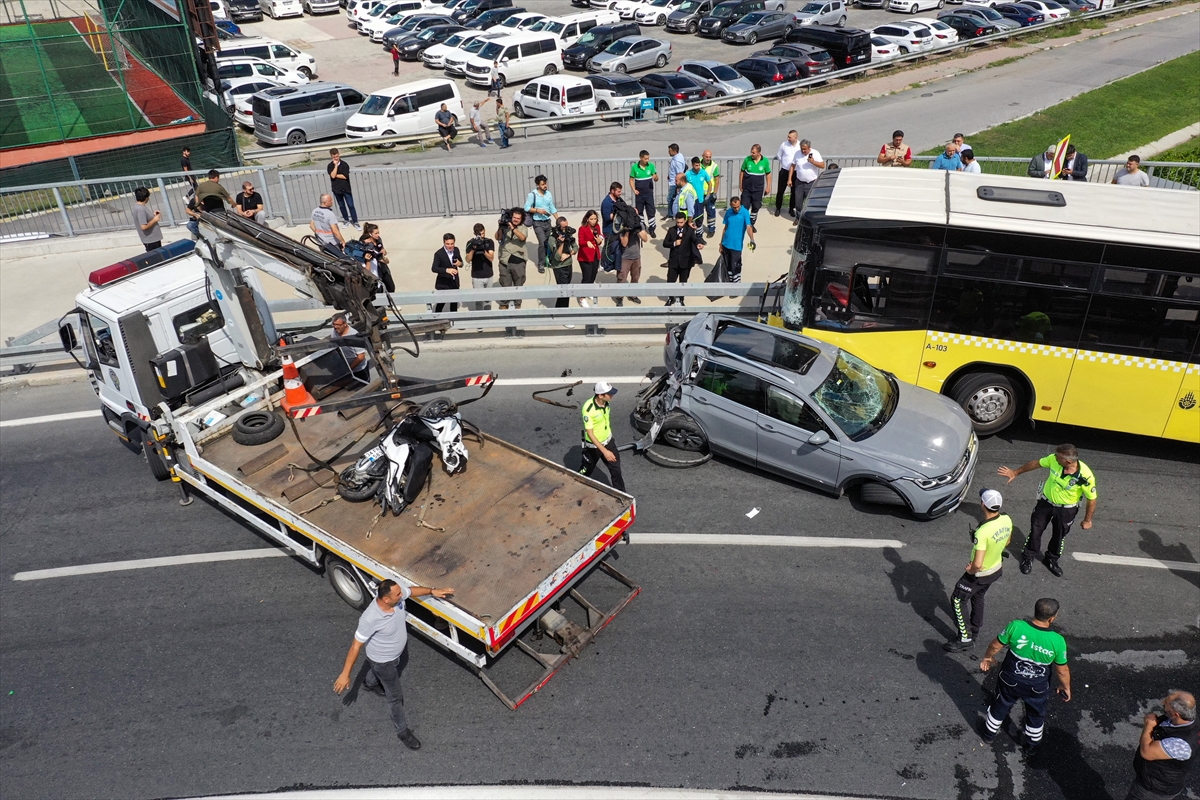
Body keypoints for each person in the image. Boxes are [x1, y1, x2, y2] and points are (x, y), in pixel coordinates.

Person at [332, 578, 454, 751]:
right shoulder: (370, 618)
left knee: (377, 674)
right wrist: (345, 675)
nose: (402, 594)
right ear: (386, 599)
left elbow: (411, 591)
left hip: (392, 655)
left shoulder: (396, 598)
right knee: (395, 697)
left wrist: (432, 591)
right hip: (383, 662)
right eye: (398, 594)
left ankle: (370, 683)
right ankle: (402, 731)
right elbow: (355, 646)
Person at [979, 598, 1071, 755]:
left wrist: (987, 658)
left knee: (1000, 704)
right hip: (1038, 686)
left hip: (1010, 680)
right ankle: (1032, 746)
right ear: (1052, 618)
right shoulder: (1057, 641)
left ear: (1034, 611)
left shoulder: (1016, 626)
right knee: (1036, 713)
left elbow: (995, 645)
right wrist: (1065, 687)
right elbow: (1062, 670)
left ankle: (988, 734)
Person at [999, 442, 1098, 578]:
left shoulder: (1085, 476)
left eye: (1059, 457)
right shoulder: (1054, 459)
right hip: (1045, 504)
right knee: (1035, 530)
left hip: (1066, 510)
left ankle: (1051, 559)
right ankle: (1028, 557)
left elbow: (1092, 499)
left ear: (1068, 461)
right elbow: (1036, 463)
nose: (1055, 458)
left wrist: (1088, 520)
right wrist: (1016, 472)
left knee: (1059, 536)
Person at [944, 489, 1012, 652]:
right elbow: (1007, 541)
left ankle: (965, 638)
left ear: (983, 505)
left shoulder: (983, 532)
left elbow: (978, 562)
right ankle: (975, 630)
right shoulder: (1006, 519)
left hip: (979, 574)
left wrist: (971, 570)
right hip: (996, 569)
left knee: (957, 600)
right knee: (978, 597)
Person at [1126, 691, 1196, 800]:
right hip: (1154, 779)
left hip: (1154, 789)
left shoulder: (1180, 744)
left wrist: (1149, 725)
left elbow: (1146, 752)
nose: (1163, 702)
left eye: (1166, 703)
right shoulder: (1185, 721)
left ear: (1175, 714)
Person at [579, 381, 625, 492]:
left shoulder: (606, 403)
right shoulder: (588, 409)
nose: (612, 396)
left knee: (616, 471)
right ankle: (577, 484)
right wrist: (605, 452)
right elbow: (590, 433)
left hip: (609, 442)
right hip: (593, 447)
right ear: (600, 395)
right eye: (609, 394)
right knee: (586, 471)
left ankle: (621, 494)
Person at [662, 212, 704, 306]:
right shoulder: (671, 230)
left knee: (683, 282)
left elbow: (695, 239)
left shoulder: (689, 231)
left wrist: (698, 244)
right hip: (674, 261)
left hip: (686, 262)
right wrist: (674, 243)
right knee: (670, 281)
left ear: (685, 221)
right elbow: (665, 243)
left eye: (681, 222)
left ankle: (681, 299)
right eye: (678, 222)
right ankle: (670, 298)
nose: (679, 224)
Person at [525, 174, 559, 273]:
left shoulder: (548, 194)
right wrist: (537, 210)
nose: (545, 186)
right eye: (543, 184)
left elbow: (552, 207)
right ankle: (541, 263)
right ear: (537, 185)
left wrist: (558, 219)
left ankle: (549, 260)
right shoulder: (532, 195)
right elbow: (526, 207)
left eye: (545, 184)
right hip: (537, 222)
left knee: (549, 242)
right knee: (542, 243)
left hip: (547, 221)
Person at [547, 216, 577, 326]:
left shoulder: (568, 234)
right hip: (559, 267)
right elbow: (556, 257)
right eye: (564, 227)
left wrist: (569, 254)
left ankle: (557, 311)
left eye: (567, 226)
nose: (566, 229)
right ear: (558, 227)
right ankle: (565, 317)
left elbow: (575, 247)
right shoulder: (552, 238)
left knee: (564, 289)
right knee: (565, 291)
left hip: (568, 264)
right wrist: (561, 243)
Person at [495, 208, 528, 310]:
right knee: (505, 284)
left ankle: (518, 304)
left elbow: (522, 238)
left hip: (518, 261)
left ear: (521, 219)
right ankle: (504, 304)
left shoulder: (522, 227)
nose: (516, 220)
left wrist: (513, 228)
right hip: (504, 260)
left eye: (518, 218)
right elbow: (497, 237)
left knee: (519, 284)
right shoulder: (505, 226)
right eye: (514, 217)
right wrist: (500, 227)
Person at [720, 195, 754, 283]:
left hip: (737, 246)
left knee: (736, 267)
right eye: (734, 207)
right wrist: (721, 244)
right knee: (728, 266)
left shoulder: (745, 212)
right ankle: (729, 283)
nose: (736, 209)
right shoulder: (728, 212)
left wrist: (752, 239)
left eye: (738, 206)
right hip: (726, 244)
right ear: (731, 206)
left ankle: (736, 286)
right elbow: (725, 228)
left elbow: (748, 227)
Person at [615, 221, 648, 307]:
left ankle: (633, 294)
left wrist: (638, 231)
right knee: (621, 278)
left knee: (635, 277)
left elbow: (645, 239)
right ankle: (619, 297)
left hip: (636, 257)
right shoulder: (621, 225)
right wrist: (627, 230)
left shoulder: (640, 224)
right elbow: (624, 243)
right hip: (624, 258)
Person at [739, 143, 771, 230]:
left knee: (756, 206)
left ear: (759, 153)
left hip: (758, 189)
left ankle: (751, 224)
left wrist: (768, 187)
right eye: (751, 152)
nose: (751, 154)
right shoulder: (747, 160)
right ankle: (744, 223)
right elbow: (742, 172)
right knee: (744, 207)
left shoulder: (765, 161)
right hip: (747, 189)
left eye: (753, 153)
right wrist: (740, 184)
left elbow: (768, 174)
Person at [465, 223, 495, 312]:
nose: (482, 236)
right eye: (479, 234)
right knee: (478, 299)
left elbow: (491, 258)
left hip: (488, 274)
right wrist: (473, 249)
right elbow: (467, 259)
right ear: (475, 234)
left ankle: (487, 315)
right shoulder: (470, 243)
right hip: (477, 276)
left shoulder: (489, 242)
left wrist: (483, 250)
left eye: (483, 233)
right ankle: (479, 318)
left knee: (488, 299)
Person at [628, 149, 658, 238]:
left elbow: (656, 178)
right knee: (639, 212)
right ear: (641, 158)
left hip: (649, 194)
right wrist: (634, 189)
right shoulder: (634, 167)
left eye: (648, 158)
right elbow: (631, 179)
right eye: (645, 159)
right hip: (639, 195)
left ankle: (652, 229)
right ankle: (642, 227)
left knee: (651, 211)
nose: (647, 160)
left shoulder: (651, 166)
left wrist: (655, 177)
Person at [331, 312, 369, 381]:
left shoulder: (354, 336)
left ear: (345, 324)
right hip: (345, 368)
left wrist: (349, 370)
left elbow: (361, 357)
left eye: (338, 325)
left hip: (358, 370)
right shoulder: (334, 332)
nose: (335, 327)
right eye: (334, 324)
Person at [327, 149, 358, 229]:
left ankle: (355, 221)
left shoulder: (344, 165)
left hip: (346, 189)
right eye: (334, 157)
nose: (336, 158)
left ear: (339, 155)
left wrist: (335, 174)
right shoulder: (330, 166)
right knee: (342, 206)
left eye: (337, 156)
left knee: (351, 205)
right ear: (331, 157)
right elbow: (332, 175)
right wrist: (336, 166)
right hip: (337, 189)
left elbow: (345, 176)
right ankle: (346, 220)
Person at [431, 232, 462, 313]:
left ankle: (453, 320)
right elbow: (434, 268)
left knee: (454, 305)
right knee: (440, 304)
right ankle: (437, 321)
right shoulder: (439, 254)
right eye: (447, 244)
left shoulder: (456, 250)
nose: (450, 246)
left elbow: (461, 263)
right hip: (443, 284)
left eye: (452, 243)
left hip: (454, 283)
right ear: (444, 243)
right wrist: (446, 270)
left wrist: (460, 263)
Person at [577, 209, 602, 308]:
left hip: (595, 255)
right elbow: (580, 242)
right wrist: (586, 243)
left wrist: (599, 240)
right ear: (587, 219)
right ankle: (582, 298)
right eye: (591, 219)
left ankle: (588, 291)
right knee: (586, 277)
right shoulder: (582, 228)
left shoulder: (597, 227)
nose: (593, 221)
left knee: (593, 274)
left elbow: (599, 238)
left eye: (595, 219)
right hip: (585, 257)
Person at [791, 139, 824, 214]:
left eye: (805, 149)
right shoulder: (797, 153)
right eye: (802, 149)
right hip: (799, 182)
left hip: (811, 183)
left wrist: (813, 162)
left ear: (809, 147)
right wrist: (789, 179)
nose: (803, 151)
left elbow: (822, 165)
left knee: (811, 202)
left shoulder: (815, 153)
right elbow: (793, 166)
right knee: (798, 203)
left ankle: (809, 217)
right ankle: (798, 217)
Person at [775, 130, 803, 218]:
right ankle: (778, 208)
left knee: (794, 192)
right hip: (785, 170)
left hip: (796, 172)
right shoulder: (784, 145)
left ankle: (791, 209)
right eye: (788, 137)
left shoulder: (800, 145)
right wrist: (785, 163)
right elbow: (779, 156)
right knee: (780, 191)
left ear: (795, 137)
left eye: (790, 137)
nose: (788, 138)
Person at [360, 223, 394, 293]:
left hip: (382, 266)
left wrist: (383, 252)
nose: (378, 235)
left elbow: (381, 249)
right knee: (379, 289)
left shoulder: (378, 240)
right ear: (370, 234)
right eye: (376, 233)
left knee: (391, 287)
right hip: (374, 269)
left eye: (378, 232)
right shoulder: (365, 243)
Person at [599, 182, 624, 271]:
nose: (620, 193)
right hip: (609, 230)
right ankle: (603, 264)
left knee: (615, 247)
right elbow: (606, 217)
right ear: (612, 191)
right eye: (618, 191)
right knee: (608, 248)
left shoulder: (618, 200)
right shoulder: (606, 202)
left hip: (617, 229)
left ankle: (612, 264)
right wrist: (618, 214)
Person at [132, 187, 162, 252]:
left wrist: (153, 215)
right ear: (146, 198)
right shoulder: (141, 209)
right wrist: (155, 219)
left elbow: (144, 218)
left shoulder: (138, 207)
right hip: (151, 240)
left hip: (152, 239)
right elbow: (143, 226)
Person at [699, 149, 721, 237]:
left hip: (710, 193)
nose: (708, 158)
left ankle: (711, 229)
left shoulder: (714, 166)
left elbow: (717, 180)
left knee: (711, 212)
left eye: (710, 157)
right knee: (699, 213)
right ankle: (699, 230)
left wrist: (715, 193)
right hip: (699, 194)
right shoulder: (698, 165)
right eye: (706, 157)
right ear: (702, 156)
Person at [684, 157, 712, 221]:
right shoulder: (687, 174)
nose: (698, 167)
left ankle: (699, 230)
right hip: (691, 200)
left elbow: (710, 184)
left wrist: (708, 195)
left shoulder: (703, 173)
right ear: (692, 165)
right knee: (691, 217)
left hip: (700, 199)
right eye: (696, 165)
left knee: (700, 218)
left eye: (699, 165)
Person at [664, 143, 686, 221]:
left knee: (670, 198)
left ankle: (671, 215)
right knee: (672, 198)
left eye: (670, 151)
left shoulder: (677, 161)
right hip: (673, 180)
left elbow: (679, 173)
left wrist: (678, 186)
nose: (668, 152)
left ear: (674, 151)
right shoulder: (678, 156)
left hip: (674, 183)